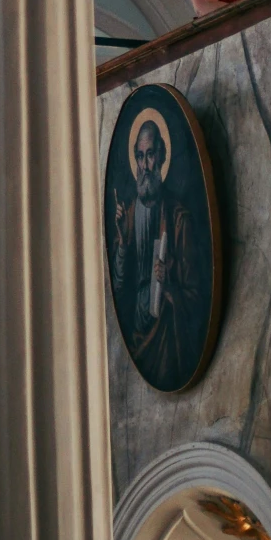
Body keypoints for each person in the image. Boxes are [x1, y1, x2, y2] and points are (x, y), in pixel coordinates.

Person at [109, 115, 206, 390]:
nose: (144, 166)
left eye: (150, 155)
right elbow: (118, 286)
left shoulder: (178, 219)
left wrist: (169, 282)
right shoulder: (125, 217)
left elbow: (196, 296)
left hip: (165, 337)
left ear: (162, 158)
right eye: (139, 157)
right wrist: (122, 242)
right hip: (136, 335)